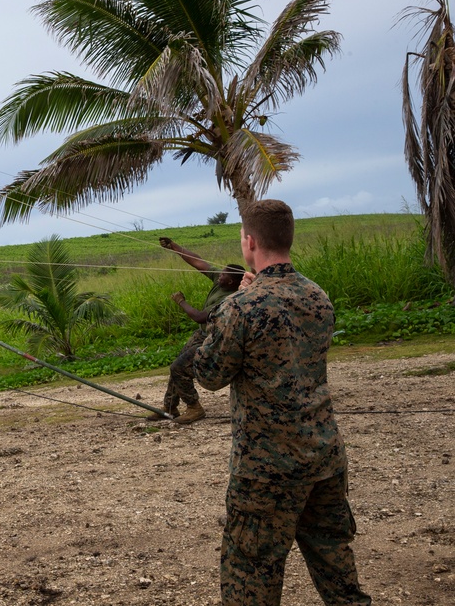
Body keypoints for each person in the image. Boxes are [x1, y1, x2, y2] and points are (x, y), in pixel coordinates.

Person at [194, 200, 370, 605]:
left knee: (250, 573)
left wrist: (227, 309)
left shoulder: (240, 307)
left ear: (250, 242)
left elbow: (209, 374)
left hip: (266, 469)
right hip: (324, 456)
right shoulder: (317, 295)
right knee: (336, 566)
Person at [147, 237, 244, 424]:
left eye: (223, 275)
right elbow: (199, 262)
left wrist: (181, 302)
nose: (219, 276)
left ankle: (194, 407)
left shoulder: (230, 298)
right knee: (177, 366)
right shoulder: (222, 280)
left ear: (231, 282)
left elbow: (200, 317)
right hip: (202, 333)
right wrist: (175, 246)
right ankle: (169, 407)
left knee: (179, 368)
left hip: (214, 339)